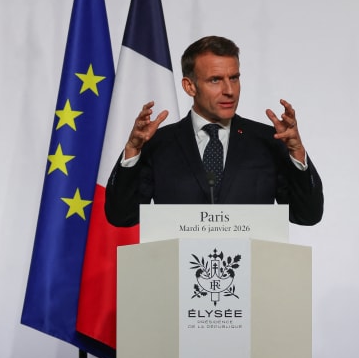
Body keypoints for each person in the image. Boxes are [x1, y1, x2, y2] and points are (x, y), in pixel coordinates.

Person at [104, 35, 323, 227]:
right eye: (215, 80)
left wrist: (297, 152)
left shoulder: (269, 140)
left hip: (254, 271)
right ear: (190, 86)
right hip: (175, 271)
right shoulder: (159, 143)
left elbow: (306, 215)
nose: (229, 91)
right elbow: (122, 216)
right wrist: (132, 150)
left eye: (234, 78)